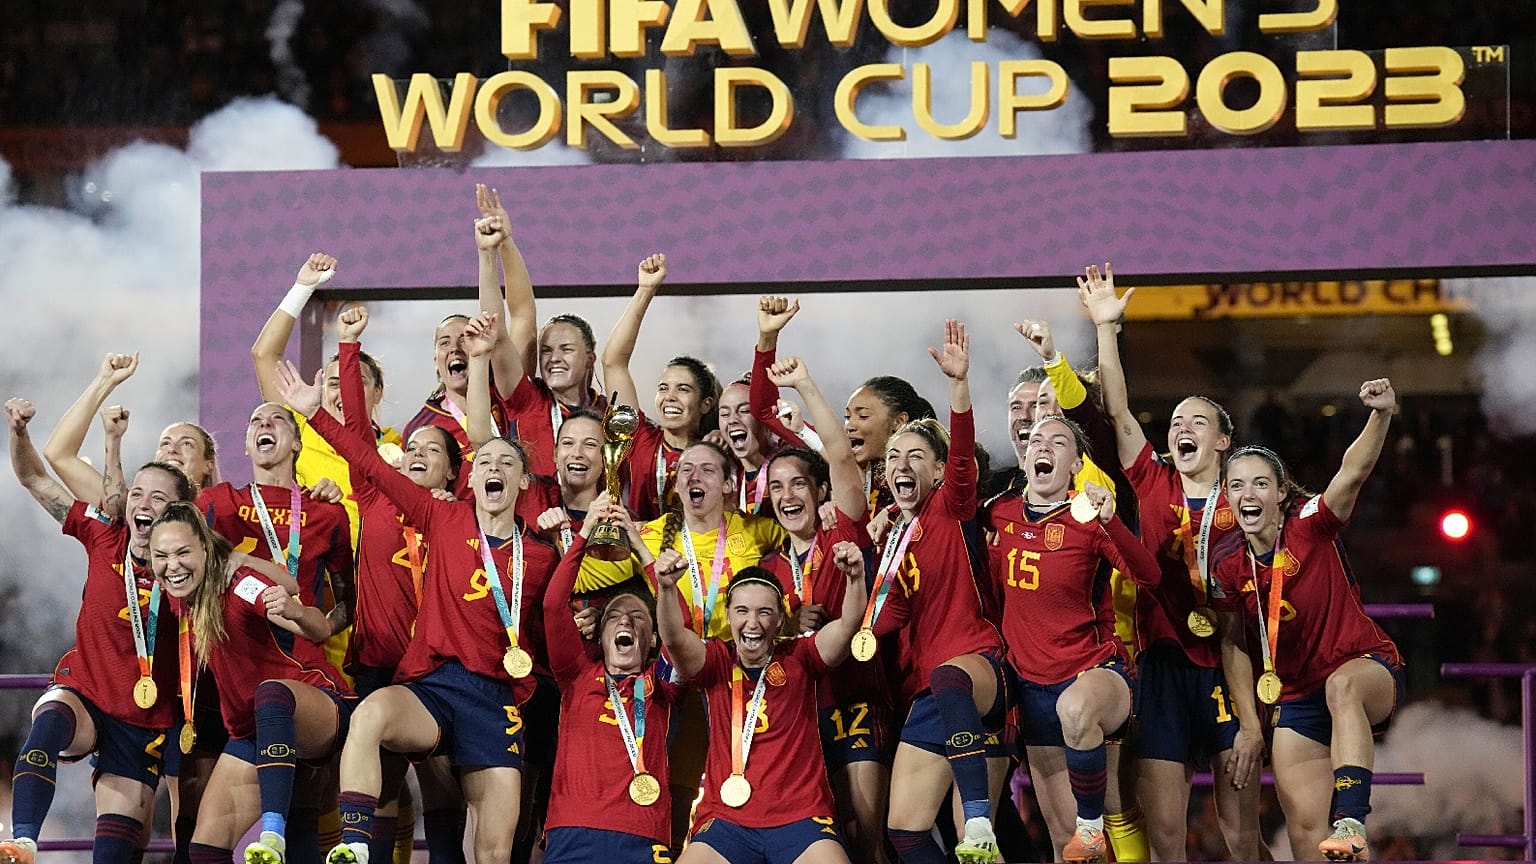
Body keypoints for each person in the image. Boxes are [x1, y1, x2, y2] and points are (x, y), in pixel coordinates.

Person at [275, 355, 560, 864]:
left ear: (522, 485)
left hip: (496, 701)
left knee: (493, 851)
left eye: (506, 465)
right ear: (469, 482)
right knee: (369, 717)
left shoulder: (541, 554)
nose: (493, 469)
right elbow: (367, 463)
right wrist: (316, 415)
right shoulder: (440, 516)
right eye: (485, 463)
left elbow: (558, 630)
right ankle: (356, 849)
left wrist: (575, 542)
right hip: (432, 685)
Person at [1079, 263, 1265, 861]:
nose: (1181, 428)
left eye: (1196, 422)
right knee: (1165, 840)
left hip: (1228, 665)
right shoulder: (1153, 479)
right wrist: (1108, 328)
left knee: (1242, 836)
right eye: (1176, 421)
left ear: (1222, 442)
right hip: (1160, 667)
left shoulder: (1247, 499)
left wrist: (1252, 712)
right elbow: (1120, 411)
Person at [1212, 379, 1405, 863]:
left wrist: (1380, 415)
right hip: (1296, 698)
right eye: (1236, 485)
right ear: (1227, 498)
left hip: (1365, 668)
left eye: (1260, 483)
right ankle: (1341, 837)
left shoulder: (1310, 525)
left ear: (1281, 492)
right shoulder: (1228, 564)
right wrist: (1251, 724)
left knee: (1342, 688)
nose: (1247, 493)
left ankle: (1353, 820)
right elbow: (1233, 644)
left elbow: (1351, 473)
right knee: (1305, 837)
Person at [0, 398, 192, 864]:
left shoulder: (195, 565)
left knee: (118, 850)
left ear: (178, 512)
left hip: (148, 722)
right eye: (138, 494)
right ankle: (22, 840)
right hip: (86, 693)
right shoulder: (104, 533)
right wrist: (20, 433)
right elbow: (34, 477)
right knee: (49, 720)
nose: (143, 504)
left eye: (158, 498)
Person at [984, 415, 1163, 863]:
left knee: (1077, 712)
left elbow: (1149, 575)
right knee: (1067, 844)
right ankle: (1083, 833)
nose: (1044, 444)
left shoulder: (1089, 518)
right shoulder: (999, 511)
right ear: (1025, 459)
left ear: (1075, 464)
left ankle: (1092, 825)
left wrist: (1112, 520)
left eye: (1059, 441)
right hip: (1029, 687)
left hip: (1092, 673)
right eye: (1037, 439)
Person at [863, 320, 1007, 864]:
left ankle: (978, 825)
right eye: (893, 458)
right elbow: (886, 617)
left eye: (916, 456)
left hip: (980, 670)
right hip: (932, 694)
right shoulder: (896, 541)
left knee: (949, 675)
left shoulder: (952, 506)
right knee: (904, 831)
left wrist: (959, 386)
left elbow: (964, 448)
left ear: (942, 470)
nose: (901, 465)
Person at [330, 304, 469, 864]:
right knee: (380, 787)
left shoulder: (463, 520)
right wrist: (347, 346)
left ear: (454, 471)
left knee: (441, 782)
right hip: (377, 663)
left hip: (438, 668)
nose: (415, 454)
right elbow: (357, 433)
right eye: (410, 448)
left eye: (431, 451)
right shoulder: (374, 497)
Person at [145, 502, 351, 864]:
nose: (172, 565)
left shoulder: (237, 586)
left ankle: (271, 836)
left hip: (310, 706)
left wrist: (295, 611)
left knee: (269, 693)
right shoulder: (181, 596)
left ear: (206, 549)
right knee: (204, 851)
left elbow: (316, 630)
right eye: (161, 555)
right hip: (252, 733)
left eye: (182, 552)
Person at [655, 545, 870, 864]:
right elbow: (673, 638)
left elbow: (848, 626)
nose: (752, 622)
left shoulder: (801, 656)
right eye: (742, 611)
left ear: (781, 618)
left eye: (764, 612)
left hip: (801, 819)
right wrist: (667, 587)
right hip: (727, 821)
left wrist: (855, 578)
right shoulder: (717, 661)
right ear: (728, 615)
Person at [753, 355, 888, 863]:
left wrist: (805, 385)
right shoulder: (768, 568)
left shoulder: (842, 530)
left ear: (821, 492)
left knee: (868, 839)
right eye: (777, 488)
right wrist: (786, 626)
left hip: (855, 698)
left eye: (798, 485)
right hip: (799, 715)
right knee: (820, 840)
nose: (788, 495)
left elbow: (839, 454)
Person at [537, 497, 682, 863]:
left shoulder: (663, 685)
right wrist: (584, 534)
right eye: (615, 617)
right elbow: (554, 605)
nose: (625, 623)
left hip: (643, 831)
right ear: (599, 638)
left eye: (638, 619)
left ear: (652, 639)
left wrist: (637, 543)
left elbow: (683, 629)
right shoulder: (576, 674)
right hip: (573, 828)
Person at [477, 184, 607, 477]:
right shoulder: (528, 400)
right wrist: (491, 252)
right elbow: (499, 332)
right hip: (533, 522)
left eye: (566, 349)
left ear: (590, 357)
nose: (553, 358)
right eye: (546, 350)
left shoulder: (609, 413)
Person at [600, 253, 723, 520]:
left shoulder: (719, 452)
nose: (670, 397)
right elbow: (613, 363)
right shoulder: (639, 439)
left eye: (683, 389)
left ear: (707, 403)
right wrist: (645, 291)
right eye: (664, 388)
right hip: (643, 556)